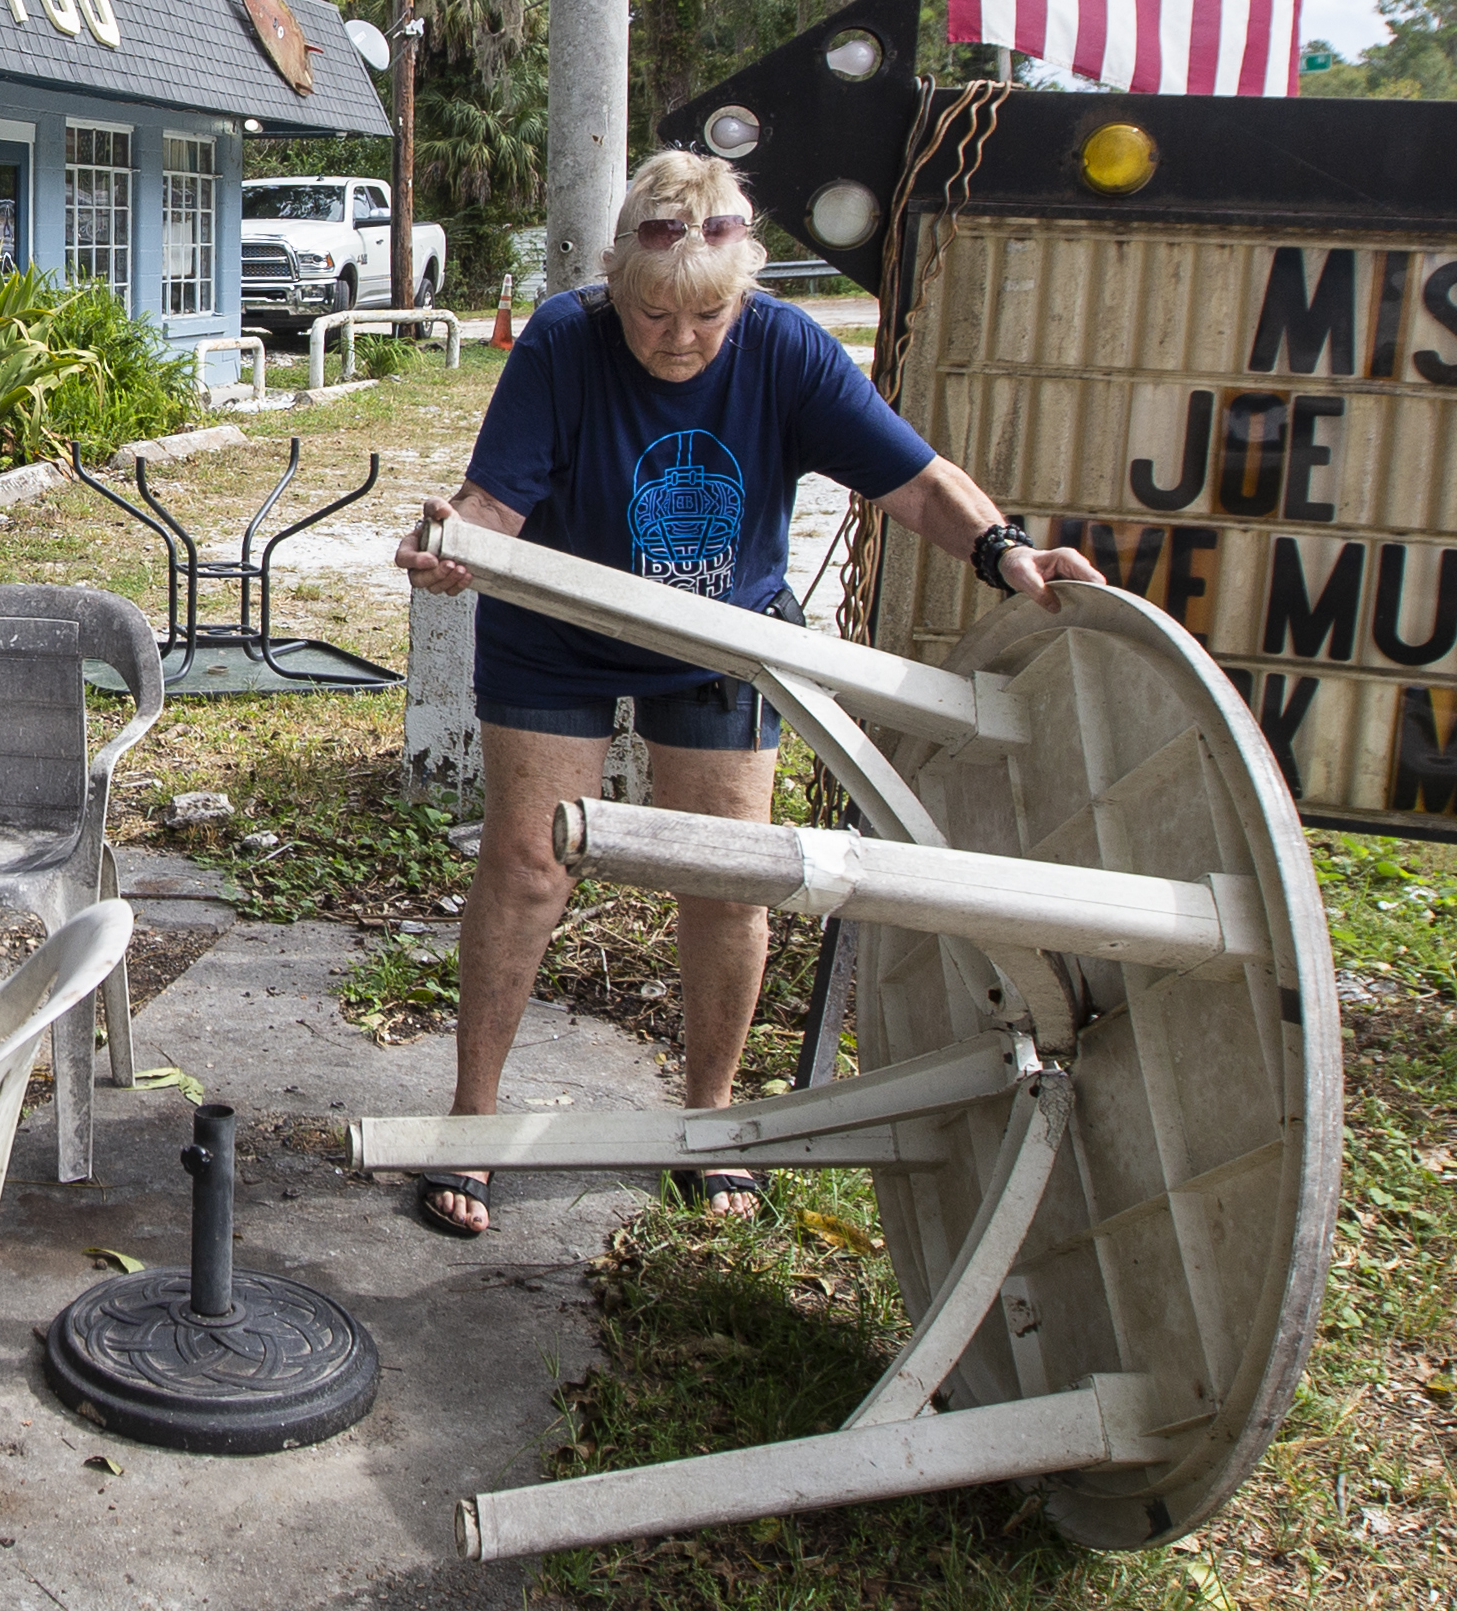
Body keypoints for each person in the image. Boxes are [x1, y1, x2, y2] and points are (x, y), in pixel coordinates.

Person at [389, 149, 1100, 1235]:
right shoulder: (563, 338)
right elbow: (494, 503)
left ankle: (709, 1121)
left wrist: (1005, 549)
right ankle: (472, 1119)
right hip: (557, 635)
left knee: (730, 879)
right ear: (612, 282)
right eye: (651, 316)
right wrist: (452, 546)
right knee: (528, 867)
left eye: (705, 319)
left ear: (745, 295)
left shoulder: (785, 348)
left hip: (719, 638)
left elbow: (909, 479)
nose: (677, 338)